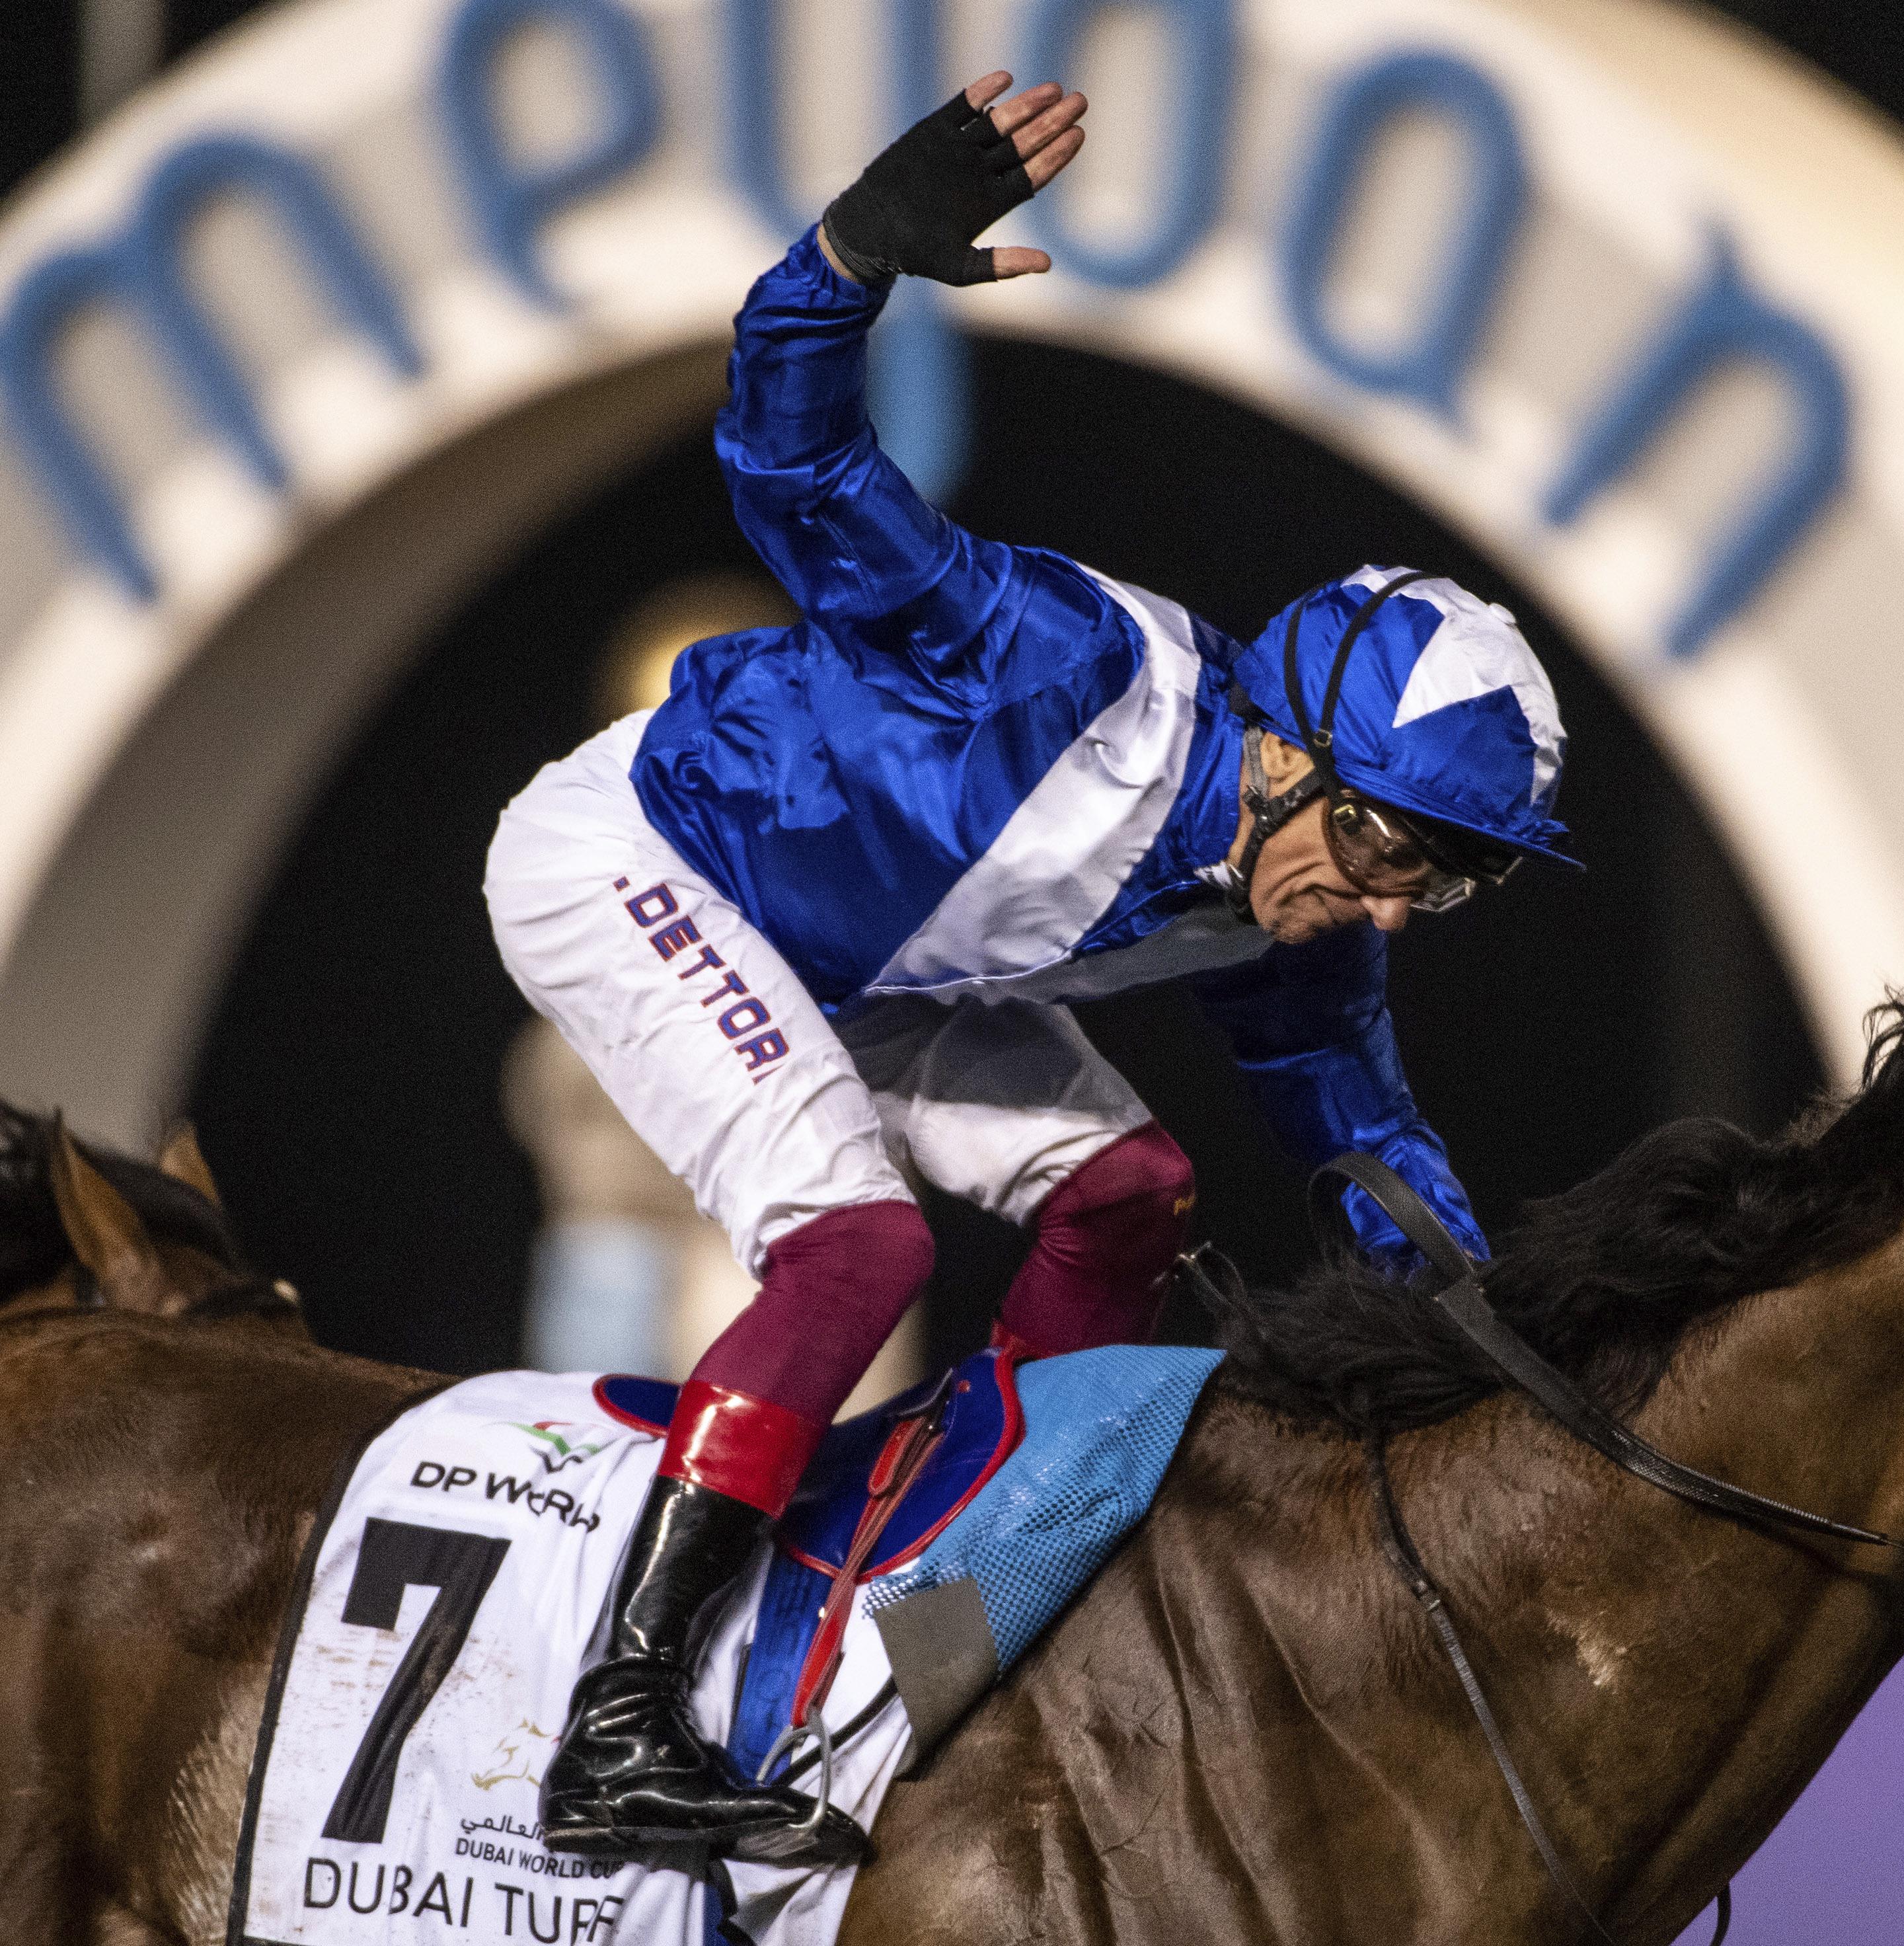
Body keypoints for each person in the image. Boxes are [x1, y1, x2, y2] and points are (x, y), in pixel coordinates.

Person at [482, 71, 1574, 1867]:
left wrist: (1523, 1363)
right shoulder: (1049, 666)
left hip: (868, 949)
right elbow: (788, 464)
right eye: (1386, 850)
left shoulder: (1299, 920)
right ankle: (615, 1718)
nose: (1386, 911)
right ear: (1290, 749)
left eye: (1440, 889)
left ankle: (947, 1612)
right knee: (863, 1243)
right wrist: (843, 259)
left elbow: (1384, 1179)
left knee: (1134, 1189)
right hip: (640, 859)